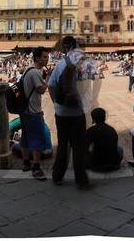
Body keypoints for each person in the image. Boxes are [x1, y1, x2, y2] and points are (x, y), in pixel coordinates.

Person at [46, 36, 95, 191]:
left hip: (61, 112)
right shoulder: (86, 62)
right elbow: (88, 87)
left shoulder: (61, 63)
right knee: (79, 147)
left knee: (62, 145)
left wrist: (56, 104)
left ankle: (57, 176)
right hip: (78, 111)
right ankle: (81, 181)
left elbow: (51, 86)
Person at [18, 47, 50, 181]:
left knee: (25, 136)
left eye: (47, 57)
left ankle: (26, 162)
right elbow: (41, 90)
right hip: (33, 111)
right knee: (38, 137)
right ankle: (36, 167)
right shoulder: (35, 72)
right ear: (37, 58)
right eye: (44, 57)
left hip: (24, 110)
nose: (47, 59)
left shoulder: (27, 70)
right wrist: (48, 78)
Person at [86, 107, 123, 172]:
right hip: (113, 164)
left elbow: (85, 148)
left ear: (93, 119)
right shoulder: (112, 130)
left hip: (96, 165)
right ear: (104, 117)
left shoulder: (90, 131)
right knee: (119, 149)